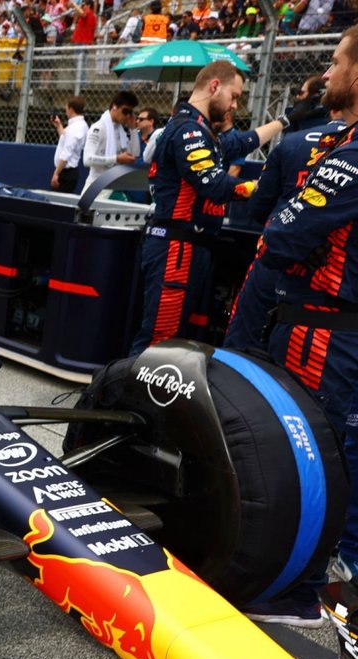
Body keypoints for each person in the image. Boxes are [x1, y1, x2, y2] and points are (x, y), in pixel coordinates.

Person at [240, 27, 358, 624]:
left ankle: (302, 593)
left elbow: (283, 230)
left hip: (328, 330)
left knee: (320, 455)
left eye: (337, 61)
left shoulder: (351, 156)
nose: (328, 71)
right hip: (341, 329)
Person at [129, 61, 287, 355]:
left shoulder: (200, 130)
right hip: (177, 248)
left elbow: (240, 142)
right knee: (158, 340)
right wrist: (267, 184)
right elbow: (216, 187)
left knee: (170, 340)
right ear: (215, 86)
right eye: (235, 96)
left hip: (188, 247)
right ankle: (124, 399)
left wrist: (286, 121)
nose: (234, 106)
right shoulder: (188, 130)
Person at [223, 110, 348, 350]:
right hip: (331, 276)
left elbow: (258, 208)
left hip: (275, 257)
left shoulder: (293, 142)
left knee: (244, 342)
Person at [81, 90, 140, 197]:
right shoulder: (99, 128)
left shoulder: (120, 131)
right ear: (114, 107)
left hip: (114, 185)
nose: (127, 116)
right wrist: (116, 159)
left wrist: (133, 130)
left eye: (130, 113)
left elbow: (134, 155)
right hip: (96, 185)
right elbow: (87, 159)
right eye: (125, 111)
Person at [51, 96, 88, 193]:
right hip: (67, 172)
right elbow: (67, 141)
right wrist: (59, 126)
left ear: (71, 109)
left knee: (57, 204)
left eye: (66, 108)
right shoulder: (81, 125)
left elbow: (66, 153)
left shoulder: (74, 128)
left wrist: (56, 173)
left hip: (65, 174)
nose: (65, 110)